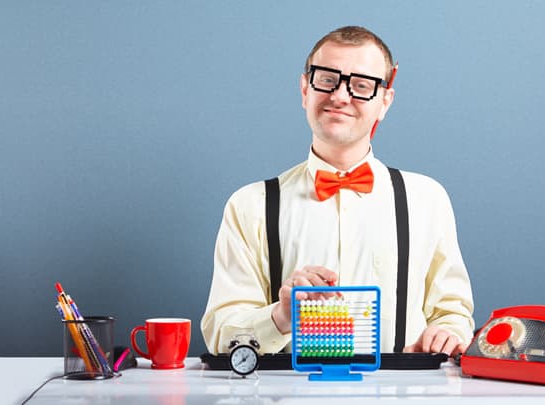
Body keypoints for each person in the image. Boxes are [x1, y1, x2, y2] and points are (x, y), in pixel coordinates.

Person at [201, 26, 474, 358]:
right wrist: (281, 316)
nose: (340, 96)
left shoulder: (427, 199)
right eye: (327, 79)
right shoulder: (250, 206)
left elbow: (454, 313)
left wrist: (447, 333)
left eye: (362, 85)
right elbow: (220, 334)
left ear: (385, 101)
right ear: (305, 89)